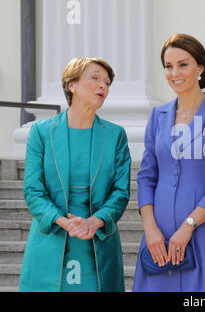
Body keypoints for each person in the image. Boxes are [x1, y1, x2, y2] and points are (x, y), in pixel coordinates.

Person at [132, 34, 205, 292]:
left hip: (202, 230)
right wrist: (150, 229)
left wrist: (189, 226)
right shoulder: (158, 115)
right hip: (158, 232)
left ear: (200, 67)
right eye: (168, 66)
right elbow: (146, 176)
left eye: (183, 64)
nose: (174, 73)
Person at [20, 57, 131, 292]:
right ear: (72, 84)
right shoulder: (41, 132)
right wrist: (64, 222)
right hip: (51, 238)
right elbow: (33, 189)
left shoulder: (115, 135)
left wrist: (94, 222)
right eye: (95, 78)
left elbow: (121, 192)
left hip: (98, 241)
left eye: (107, 82)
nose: (103, 86)